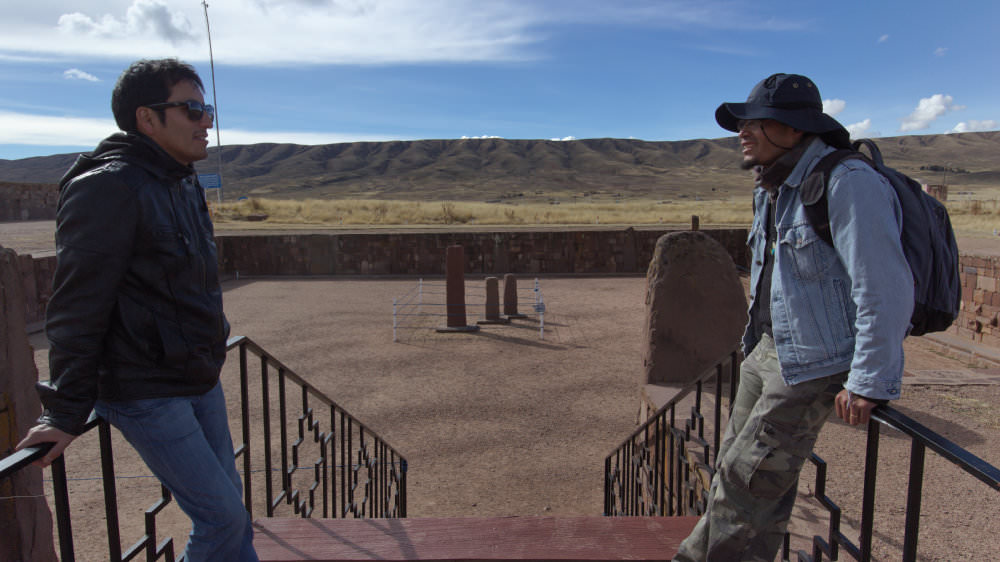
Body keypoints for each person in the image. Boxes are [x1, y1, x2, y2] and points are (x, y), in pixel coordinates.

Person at [16, 58, 258, 562]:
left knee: (231, 503)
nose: (206, 121)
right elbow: (77, 305)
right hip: (143, 388)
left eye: (206, 108)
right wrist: (64, 408)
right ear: (147, 118)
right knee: (221, 517)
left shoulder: (182, 181)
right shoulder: (108, 186)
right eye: (191, 109)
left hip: (196, 375)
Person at [673, 73, 913, 561]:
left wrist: (868, 380)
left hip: (814, 362)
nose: (743, 131)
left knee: (746, 480)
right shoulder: (771, 185)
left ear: (797, 128)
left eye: (758, 122)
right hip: (767, 348)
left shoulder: (848, 183)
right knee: (746, 478)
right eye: (743, 122)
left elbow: (883, 287)